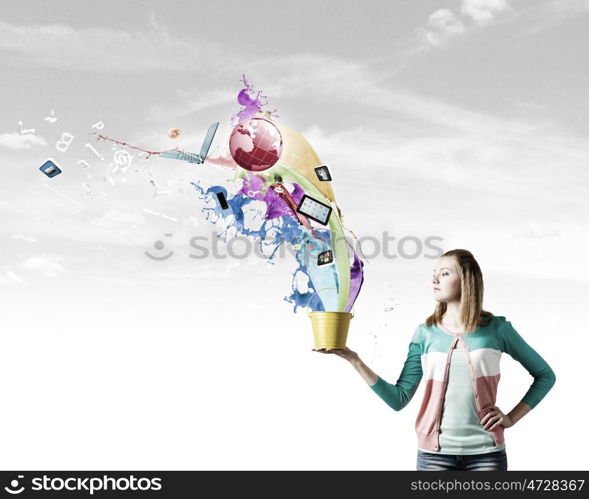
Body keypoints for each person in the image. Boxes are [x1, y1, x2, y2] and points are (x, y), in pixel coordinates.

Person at [314, 249, 556, 471]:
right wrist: (354, 360)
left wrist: (511, 418)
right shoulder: (425, 333)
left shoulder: (497, 329)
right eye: (434, 274)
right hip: (434, 458)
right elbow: (399, 399)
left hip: (487, 455)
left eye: (444, 273)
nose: (435, 280)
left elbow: (545, 375)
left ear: (466, 280)